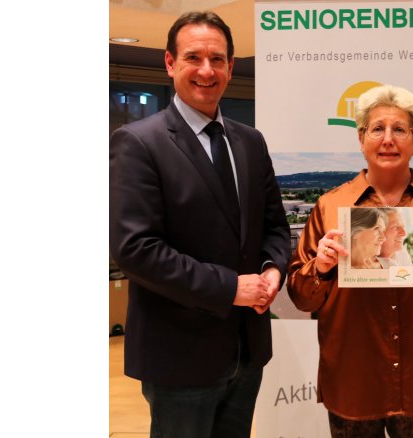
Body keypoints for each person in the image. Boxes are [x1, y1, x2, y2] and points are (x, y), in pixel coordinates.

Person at [109, 11, 291, 438]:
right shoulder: (138, 143)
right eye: (194, 57)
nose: (207, 70)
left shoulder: (250, 140)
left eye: (218, 59)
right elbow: (135, 250)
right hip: (180, 356)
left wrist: (272, 269)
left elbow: (275, 227)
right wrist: (232, 288)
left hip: (248, 351)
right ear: (170, 63)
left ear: (231, 65)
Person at [287, 84, 413, 437]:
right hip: (352, 380)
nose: (388, 139)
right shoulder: (330, 206)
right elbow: (302, 297)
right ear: (361, 138)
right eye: (377, 129)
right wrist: (319, 269)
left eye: (400, 130)